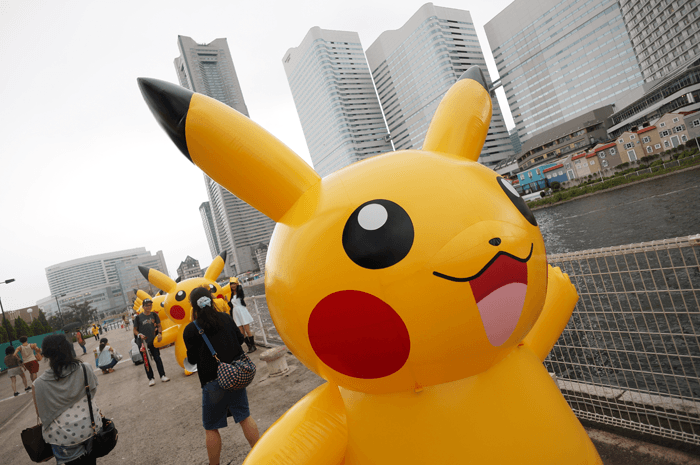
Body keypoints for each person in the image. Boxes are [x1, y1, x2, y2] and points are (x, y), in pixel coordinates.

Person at [183, 286, 259, 465]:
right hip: (234, 377)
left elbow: (192, 360)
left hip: (212, 384)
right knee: (244, 417)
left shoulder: (190, 330)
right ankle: (260, 456)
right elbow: (240, 340)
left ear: (193, 306)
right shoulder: (225, 318)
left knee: (211, 427)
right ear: (211, 299)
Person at [34, 334, 101, 464]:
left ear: (46, 355)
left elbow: (41, 413)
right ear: (68, 348)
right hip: (90, 426)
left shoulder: (39, 383)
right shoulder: (85, 367)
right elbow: (92, 392)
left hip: (63, 436)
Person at [133, 298, 169, 386]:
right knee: (146, 361)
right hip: (143, 343)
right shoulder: (138, 318)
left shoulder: (154, 315)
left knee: (157, 358)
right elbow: (135, 330)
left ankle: (162, 375)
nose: (149, 307)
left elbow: (159, 326)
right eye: (147, 305)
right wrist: (139, 335)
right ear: (143, 307)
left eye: (150, 305)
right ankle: (151, 378)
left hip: (153, 341)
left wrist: (160, 334)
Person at [227, 277, 256, 353]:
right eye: (231, 284)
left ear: (236, 284)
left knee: (247, 330)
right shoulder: (231, 294)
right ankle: (249, 347)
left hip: (242, 311)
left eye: (233, 284)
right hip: (235, 313)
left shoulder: (240, 292)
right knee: (242, 332)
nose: (232, 286)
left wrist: (238, 285)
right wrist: (227, 301)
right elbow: (232, 305)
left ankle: (253, 346)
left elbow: (242, 296)